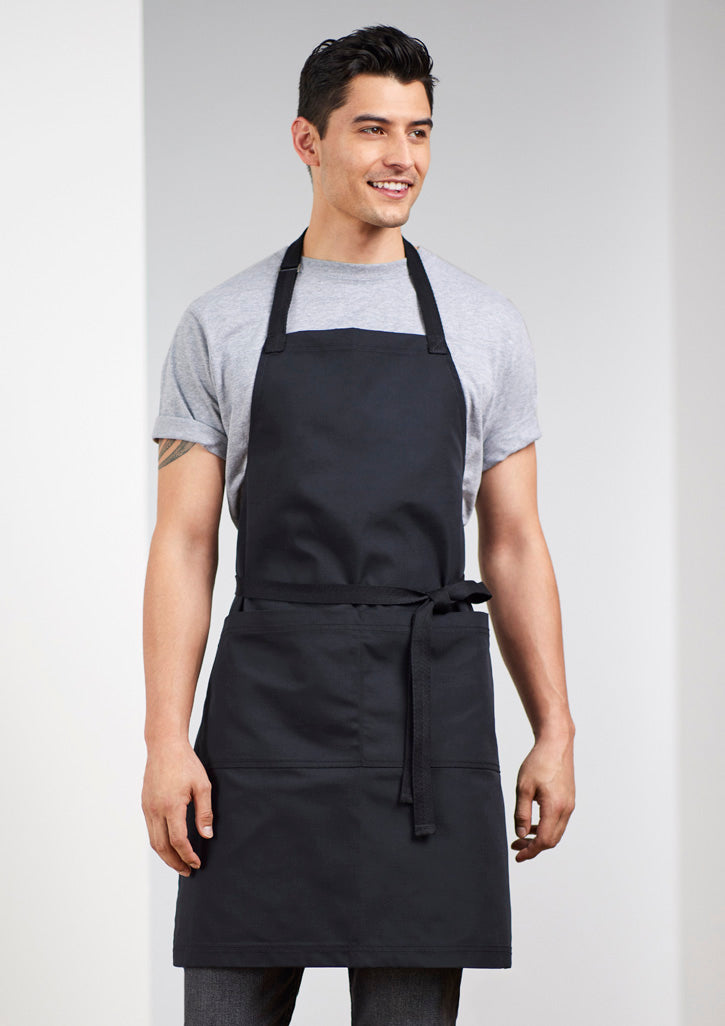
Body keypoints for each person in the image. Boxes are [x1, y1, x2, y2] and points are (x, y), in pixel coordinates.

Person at [142, 23, 575, 1026]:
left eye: (418, 132)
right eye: (372, 129)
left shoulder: (482, 325)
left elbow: (514, 542)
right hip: (264, 719)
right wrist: (166, 739)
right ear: (308, 140)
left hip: (426, 718)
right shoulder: (220, 323)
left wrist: (554, 729)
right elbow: (185, 544)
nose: (401, 158)